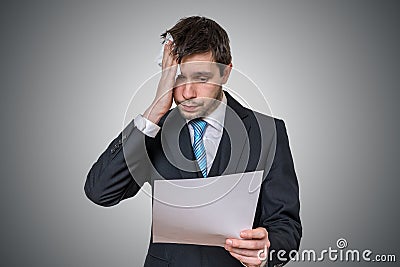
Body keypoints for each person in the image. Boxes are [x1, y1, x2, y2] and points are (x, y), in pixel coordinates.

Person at [84, 16, 301, 267]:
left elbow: (286, 225)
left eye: (201, 78)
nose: (187, 93)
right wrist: (154, 111)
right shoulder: (154, 131)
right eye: (178, 78)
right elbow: (100, 192)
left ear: (225, 72)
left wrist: (268, 247)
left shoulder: (269, 131)